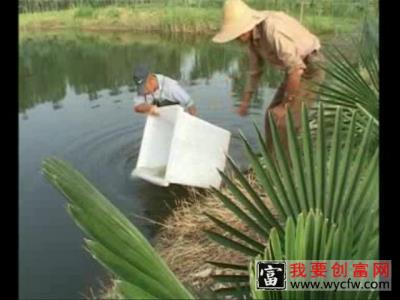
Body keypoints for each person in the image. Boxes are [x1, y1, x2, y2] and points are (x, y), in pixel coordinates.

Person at [212, 0, 325, 152]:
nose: (235, 40)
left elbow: (296, 69)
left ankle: (284, 170)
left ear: (245, 29)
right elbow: (254, 72)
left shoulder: (272, 29)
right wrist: (245, 102)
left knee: (285, 121)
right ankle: (271, 160)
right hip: (294, 70)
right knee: (270, 115)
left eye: (236, 35)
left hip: (310, 68)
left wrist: (285, 105)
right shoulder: (253, 40)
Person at [132, 65, 197, 116]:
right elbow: (137, 107)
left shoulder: (171, 87)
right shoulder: (142, 89)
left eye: (145, 87)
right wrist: (150, 108)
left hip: (176, 116)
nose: (144, 92)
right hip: (159, 119)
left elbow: (190, 105)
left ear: (151, 79)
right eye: (141, 88)